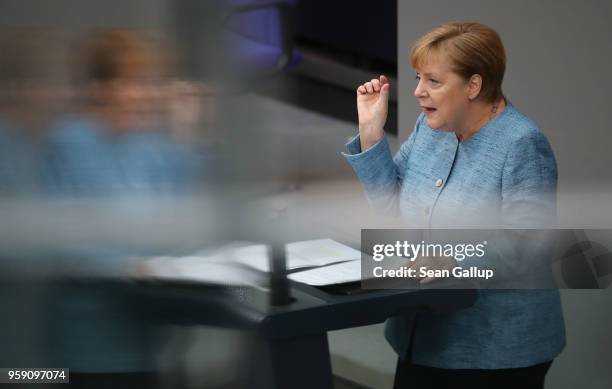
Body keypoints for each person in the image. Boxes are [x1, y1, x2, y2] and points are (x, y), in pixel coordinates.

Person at [343, 22, 565, 389]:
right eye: (418, 78)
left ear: (474, 86)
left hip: (495, 354)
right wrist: (370, 132)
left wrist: (455, 257)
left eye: (433, 81)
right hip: (423, 337)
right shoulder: (428, 129)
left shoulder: (522, 144)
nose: (417, 91)